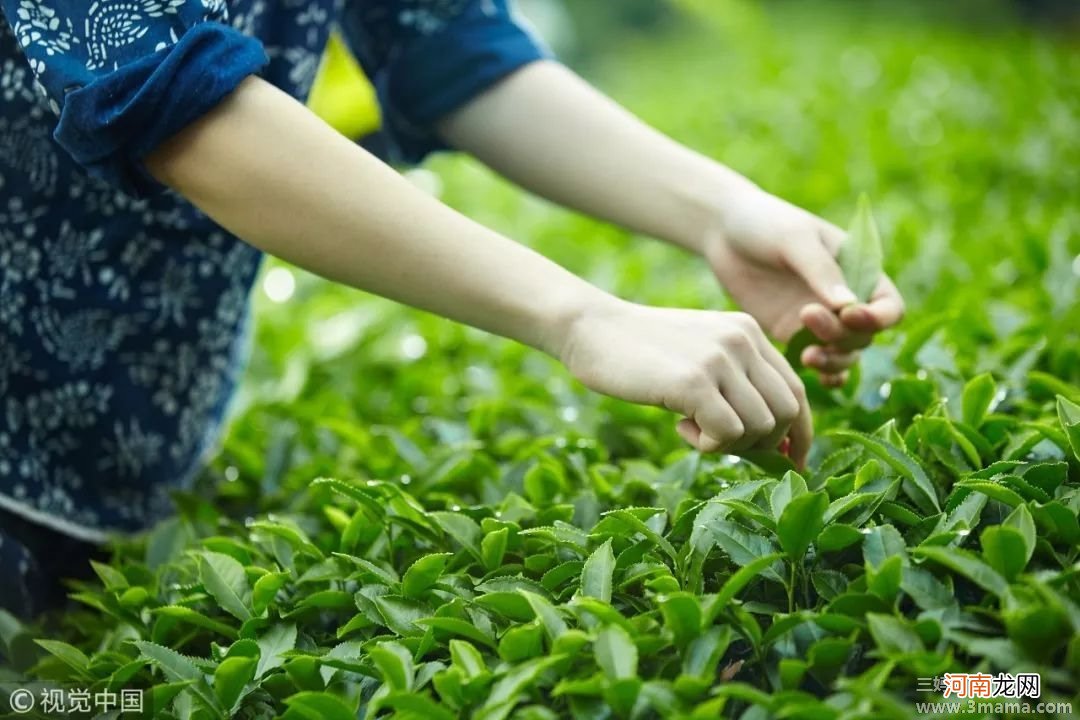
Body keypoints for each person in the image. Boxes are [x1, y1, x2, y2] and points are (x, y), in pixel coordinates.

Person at [0, 0, 903, 619]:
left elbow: (444, 44)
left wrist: (719, 213)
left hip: (135, 459)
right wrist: (584, 318)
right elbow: (177, 102)